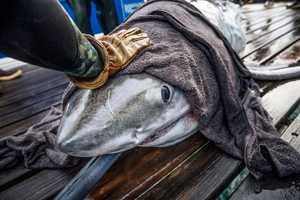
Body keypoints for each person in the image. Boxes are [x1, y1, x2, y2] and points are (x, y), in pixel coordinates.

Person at [0, 0, 151, 89]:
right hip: (89, 61)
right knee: (85, 13)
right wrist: (91, 64)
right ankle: (98, 60)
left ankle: (109, 49)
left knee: (100, 10)